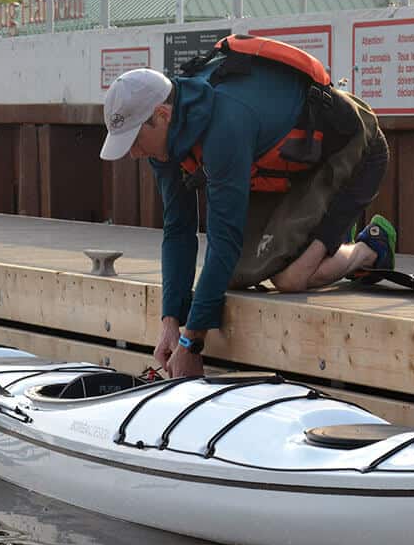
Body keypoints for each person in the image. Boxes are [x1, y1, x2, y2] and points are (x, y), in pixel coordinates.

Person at [99, 39, 395, 379]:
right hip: (286, 171)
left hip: (353, 149)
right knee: (240, 274)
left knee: (290, 277)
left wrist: (193, 342)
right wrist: (171, 322)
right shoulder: (164, 139)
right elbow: (178, 230)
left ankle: (369, 249)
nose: (134, 154)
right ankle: (321, 244)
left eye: (135, 141)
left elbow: (224, 241)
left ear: (162, 115)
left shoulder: (225, 124)